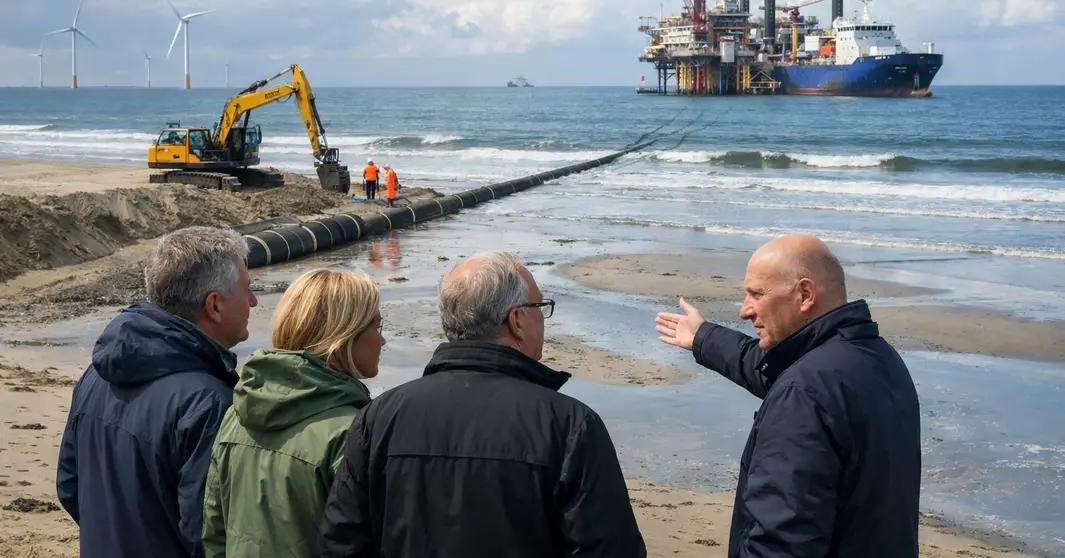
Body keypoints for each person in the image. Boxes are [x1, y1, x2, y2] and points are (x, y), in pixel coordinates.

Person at [317, 251, 646, 557]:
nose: (543, 319)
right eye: (539, 307)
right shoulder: (570, 425)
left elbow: (342, 544)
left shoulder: (379, 417)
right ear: (516, 320)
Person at [653, 234, 921, 557]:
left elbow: (780, 543)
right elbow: (769, 368)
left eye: (756, 294)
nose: (744, 310)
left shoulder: (803, 395)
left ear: (805, 294)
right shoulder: (881, 360)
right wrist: (702, 337)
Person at [56, 226, 257, 558]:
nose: (253, 300)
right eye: (247, 289)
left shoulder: (95, 375)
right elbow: (208, 534)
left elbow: (69, 486)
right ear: (215, 306)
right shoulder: (208, 404)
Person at [201, 268, 385, 558]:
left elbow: (214, 533)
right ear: (344, 335)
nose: (383, 341)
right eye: (377, 326)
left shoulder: (237, 415)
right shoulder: (352, 432)